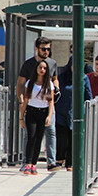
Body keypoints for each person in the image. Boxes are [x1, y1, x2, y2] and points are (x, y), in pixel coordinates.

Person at [16, 36, 61, 172]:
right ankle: (26, 162)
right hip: (31, 105)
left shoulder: (52, 63)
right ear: (37, 49)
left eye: (48, 49)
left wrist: (56, 89)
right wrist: (21, 100)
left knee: (51, 131)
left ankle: (51, 162)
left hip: (47, 105)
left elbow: (55, 79)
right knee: (30, 135)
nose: (46, 52)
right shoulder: (28, 64)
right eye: (43, 49)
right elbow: (20, 83)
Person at [55, 56, 92, 171]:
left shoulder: (84, 78)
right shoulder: (61, 77)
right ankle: (60, 158)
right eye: (73, 66)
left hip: (76, 113)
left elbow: (88, 96)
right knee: (62, 138)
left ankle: (70, 163)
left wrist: (86, 111)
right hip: (61, 112)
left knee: (73, 138)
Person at [19, 60, 54, 175]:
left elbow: (51, 102)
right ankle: (28, 163)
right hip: (31, 111)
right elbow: (26, 100)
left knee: (39, 139)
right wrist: (21, 117)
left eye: (44, 68)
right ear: (36, 69)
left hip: (43, 112)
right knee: (31, 137)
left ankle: (34, 164)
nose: (42, 70)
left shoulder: (49, 83)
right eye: (40, 67)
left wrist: (49, 116)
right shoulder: (30, 83)